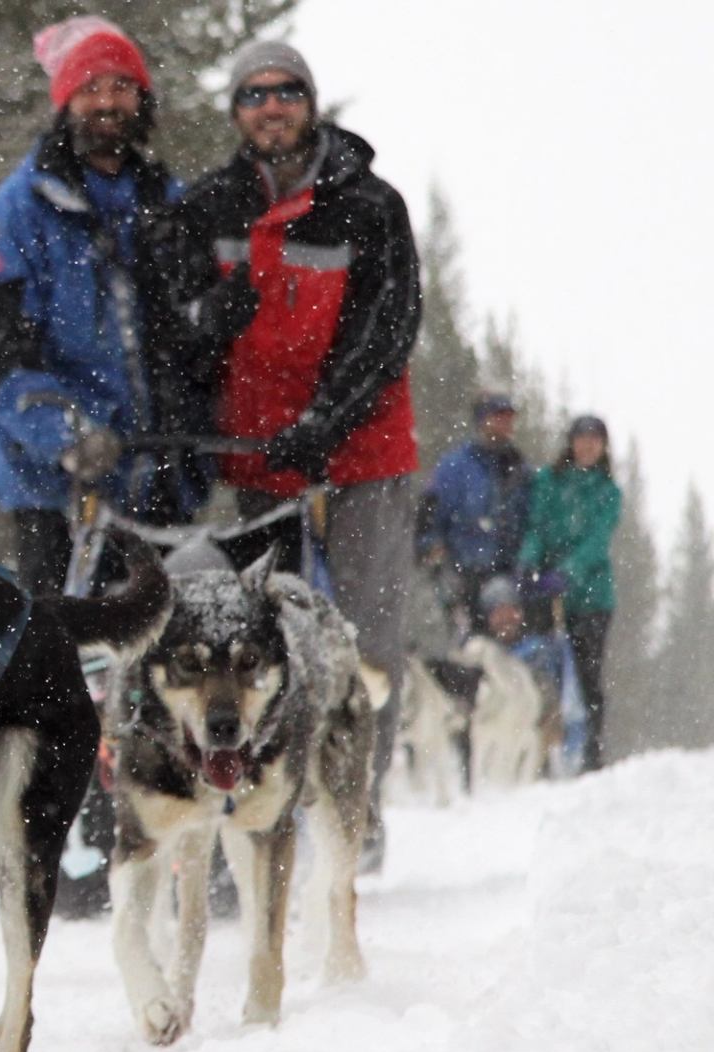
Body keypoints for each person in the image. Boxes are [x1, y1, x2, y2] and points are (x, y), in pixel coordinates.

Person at [147, 39, 421, 870]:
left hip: (361, 452)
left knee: (366, 641)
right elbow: (176, 331)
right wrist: (210, 323)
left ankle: (356, 807)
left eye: (286, 91)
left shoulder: (368, 204)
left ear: (310, 102)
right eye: (254, 94)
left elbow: (389, 327)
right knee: (258, 647)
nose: (271, 107)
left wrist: (326, 418)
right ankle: (257, 808)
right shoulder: (209, 207)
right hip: (258, 458)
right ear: (236, 112)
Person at [0, 16, 203, 598]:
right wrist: (67, 435)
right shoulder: (16, 212)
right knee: (65, 643)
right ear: (64, 101)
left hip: (158, 480)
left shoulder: (170, 202)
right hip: (55, 490)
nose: (107, 102)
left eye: (121, 86)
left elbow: (195, 340)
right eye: (90, 87)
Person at [519, 414, 621, 771]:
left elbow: (597, 542)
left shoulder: (608, 491)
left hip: (592, 597)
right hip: (546, 592)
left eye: (595, 440)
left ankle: (591, 751)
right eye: (582, 438)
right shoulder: (549, 481)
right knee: (544, 670)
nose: (587, 446)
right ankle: (545, 751)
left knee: (587, 673)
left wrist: (568, 572)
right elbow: (537, 527)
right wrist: (529, 561)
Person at [416, 393, 533, 636]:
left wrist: (525, 563)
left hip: (505, 574)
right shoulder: (454, 467)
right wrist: (431, 548)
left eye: (508, 418)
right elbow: (429, 516)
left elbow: (531, 521)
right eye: (498, 417)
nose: (505, 424)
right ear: (482, 420)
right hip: (459, 571)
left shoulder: (520, 469)